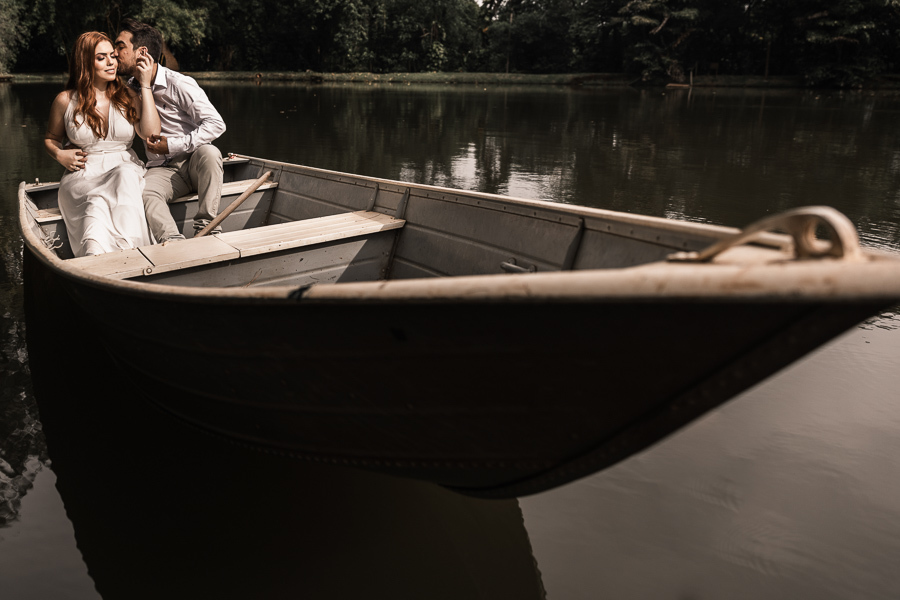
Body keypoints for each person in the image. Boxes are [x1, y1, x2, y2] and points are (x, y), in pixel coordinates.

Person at [44, 31, 160, 257]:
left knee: (125, 174)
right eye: (101, 58)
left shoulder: (128, 95)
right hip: (84, 176)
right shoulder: (65, 100)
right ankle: (95, 259)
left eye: (113, 56)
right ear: (85, 62)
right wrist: (60, 155)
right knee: (95, 202)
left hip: (125, 171)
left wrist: (145, 86)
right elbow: (50, 139)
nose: (111, 62)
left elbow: (151, 133)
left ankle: (132, 253)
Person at [114, 19, 227, 242]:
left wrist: (173, 144)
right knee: (145, 193)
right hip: (162, 169)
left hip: (194, 162)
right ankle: (173, 242)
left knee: (211, 153)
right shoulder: (129, 89)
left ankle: (207, 230)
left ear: (142, 52)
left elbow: (216, 124)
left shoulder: (179, 84)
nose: (115, 53)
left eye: (120, 47)